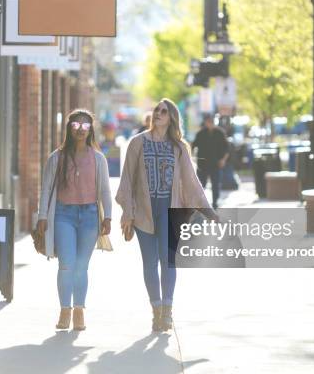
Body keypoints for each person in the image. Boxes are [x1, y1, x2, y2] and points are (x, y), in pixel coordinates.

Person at [116, 98, 214, 332]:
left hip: (169, 211)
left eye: (164, 111)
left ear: (171, 118)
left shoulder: (179, 147)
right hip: (144, 211)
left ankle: (168, 312)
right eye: (156, 110)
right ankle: (156, 311)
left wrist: (208, 211)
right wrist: (128, 213)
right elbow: (127, 180)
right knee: (149, 263)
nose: (158, 114)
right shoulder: (137, 143)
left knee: (168, 260)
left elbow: (191, 182)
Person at [37, 109, 112, 331]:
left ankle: (79, 310)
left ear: (91, 130)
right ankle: (64, 310)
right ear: (69, 128)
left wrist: (107, 216)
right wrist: (42, 216)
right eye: (76, 125)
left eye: (86, 125)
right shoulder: (56, 157)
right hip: (63, 215)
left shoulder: (98, 159)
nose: (81, 129)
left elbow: (105, 191)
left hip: (89, 216)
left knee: (81, 266)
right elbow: (46, 189)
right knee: (66, 265)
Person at [191, 114, 230, 209]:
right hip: (202, 164)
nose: (210, 123)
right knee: (201, 185)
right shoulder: (200, 134)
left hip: (216, 164)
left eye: (211, 121)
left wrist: (223, 160)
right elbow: (192, 146)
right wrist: (191, 158)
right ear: (205, 122)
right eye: (208, 121)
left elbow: (227, 148)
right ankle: (200, 204)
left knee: (216, 184)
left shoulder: (220, 133)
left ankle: (215, 203)